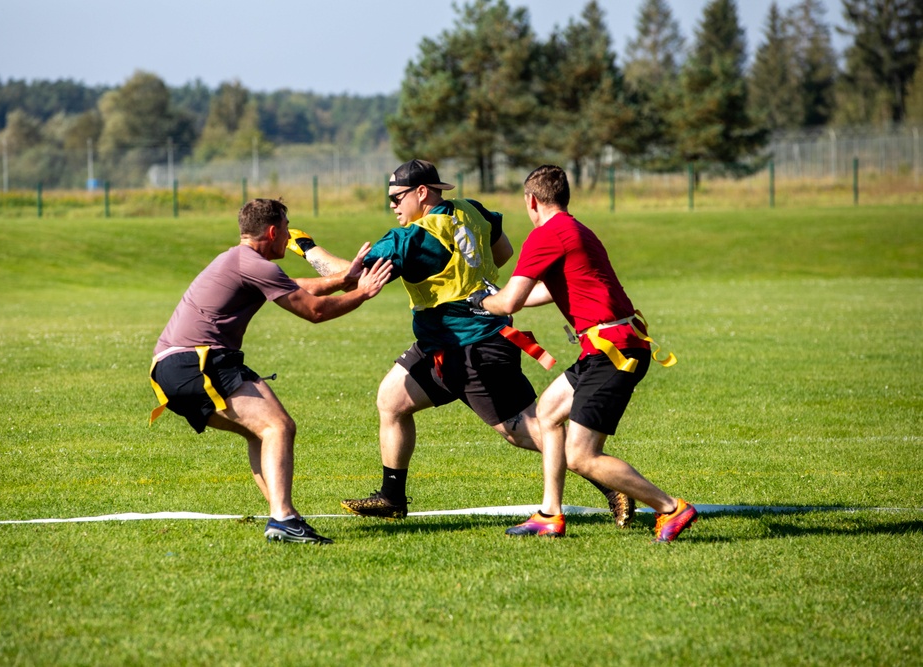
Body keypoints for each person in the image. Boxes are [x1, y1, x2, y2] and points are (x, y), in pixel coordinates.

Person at [286, 159, 632, 525]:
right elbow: (502, 252)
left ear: (422, 193)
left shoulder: (411, 238)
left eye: (396, 197)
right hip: (443, 343)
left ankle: (607, 480)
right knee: (392, 398)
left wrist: (307, 247)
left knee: (524, 430)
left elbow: (350, 278)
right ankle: (392, 496)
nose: (391, 205)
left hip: (474, 350)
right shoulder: (472, 210)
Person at [148, 198, 392, 545]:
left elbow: (299, 286)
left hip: (174, 367)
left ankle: (285, 516)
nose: (289, 236)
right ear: (274, 231)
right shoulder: (252, 264)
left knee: (261, 432)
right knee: (278, 426)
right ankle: (283, 519)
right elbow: (315, 312)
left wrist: (345, 279)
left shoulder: (241, 260)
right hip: (197, 362)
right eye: (287, 228)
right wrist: (363, 293)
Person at [474, 165, 697, 543]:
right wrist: (505, 300)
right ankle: (549, 514)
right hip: (612, 345)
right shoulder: (576, 229)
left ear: (531, 200)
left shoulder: (545, 235)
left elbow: (511, 299)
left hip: (614, 352)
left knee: (581, 456)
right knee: (546, 413)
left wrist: (484, 300)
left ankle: (671, 507)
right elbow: (544, 291)